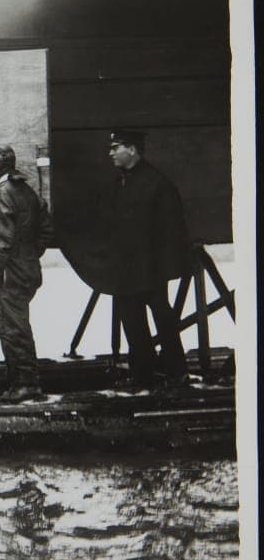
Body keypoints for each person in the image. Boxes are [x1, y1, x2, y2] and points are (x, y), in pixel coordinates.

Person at [100, 129, 190, 389]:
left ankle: (176, 372)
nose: (111, 153)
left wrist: (161, 268)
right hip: (127, 269)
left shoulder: (157, 184)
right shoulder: (121, 182)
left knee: (163, 319)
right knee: (132, 320)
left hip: (151, 269)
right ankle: (143, 374)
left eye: (115, 147)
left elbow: (171, 230)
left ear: (132, 149)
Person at [0, 144, 54, 403]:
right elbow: (46, 229)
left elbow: (1, 240)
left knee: (12, 327)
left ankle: (26, 384)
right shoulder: (26, 191)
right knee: (13, 324)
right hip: (27, 269)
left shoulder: (1, 193)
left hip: (9, 274)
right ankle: (18, 383)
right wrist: (30, 256)